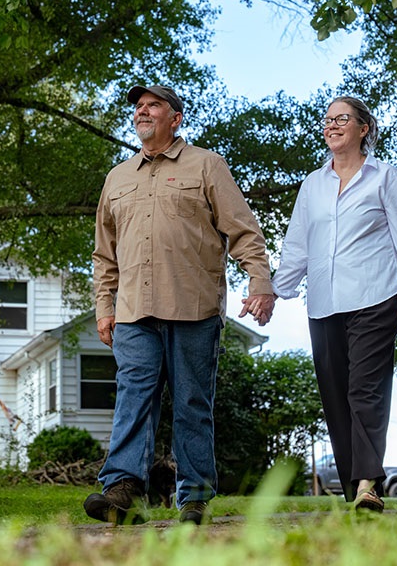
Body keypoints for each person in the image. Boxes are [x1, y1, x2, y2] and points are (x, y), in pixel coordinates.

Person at [86, 84, 276, 525]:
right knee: (133, 397)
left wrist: (259, 282)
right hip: (133, 310)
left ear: (176, 118)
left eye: (153, 105)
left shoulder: (206, 165)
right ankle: (123, 489)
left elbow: (243, 230)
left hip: (193, 307)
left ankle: (193, 498)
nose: (142, 111)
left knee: (192, 402)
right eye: (138, 107)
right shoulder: (117, 178)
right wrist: (103, 304)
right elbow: (104, 252)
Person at [272, 96, 397, 513]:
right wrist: (271, 293)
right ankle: (354, 486)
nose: (332, 125)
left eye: (342, 118)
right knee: (336, 394)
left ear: (364, 129)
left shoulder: (385, 177)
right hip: (323, 303)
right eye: (327, 119)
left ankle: (367, 484)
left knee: (365, 391)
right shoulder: (312, 184)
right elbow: (296, 248)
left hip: (375, 297)